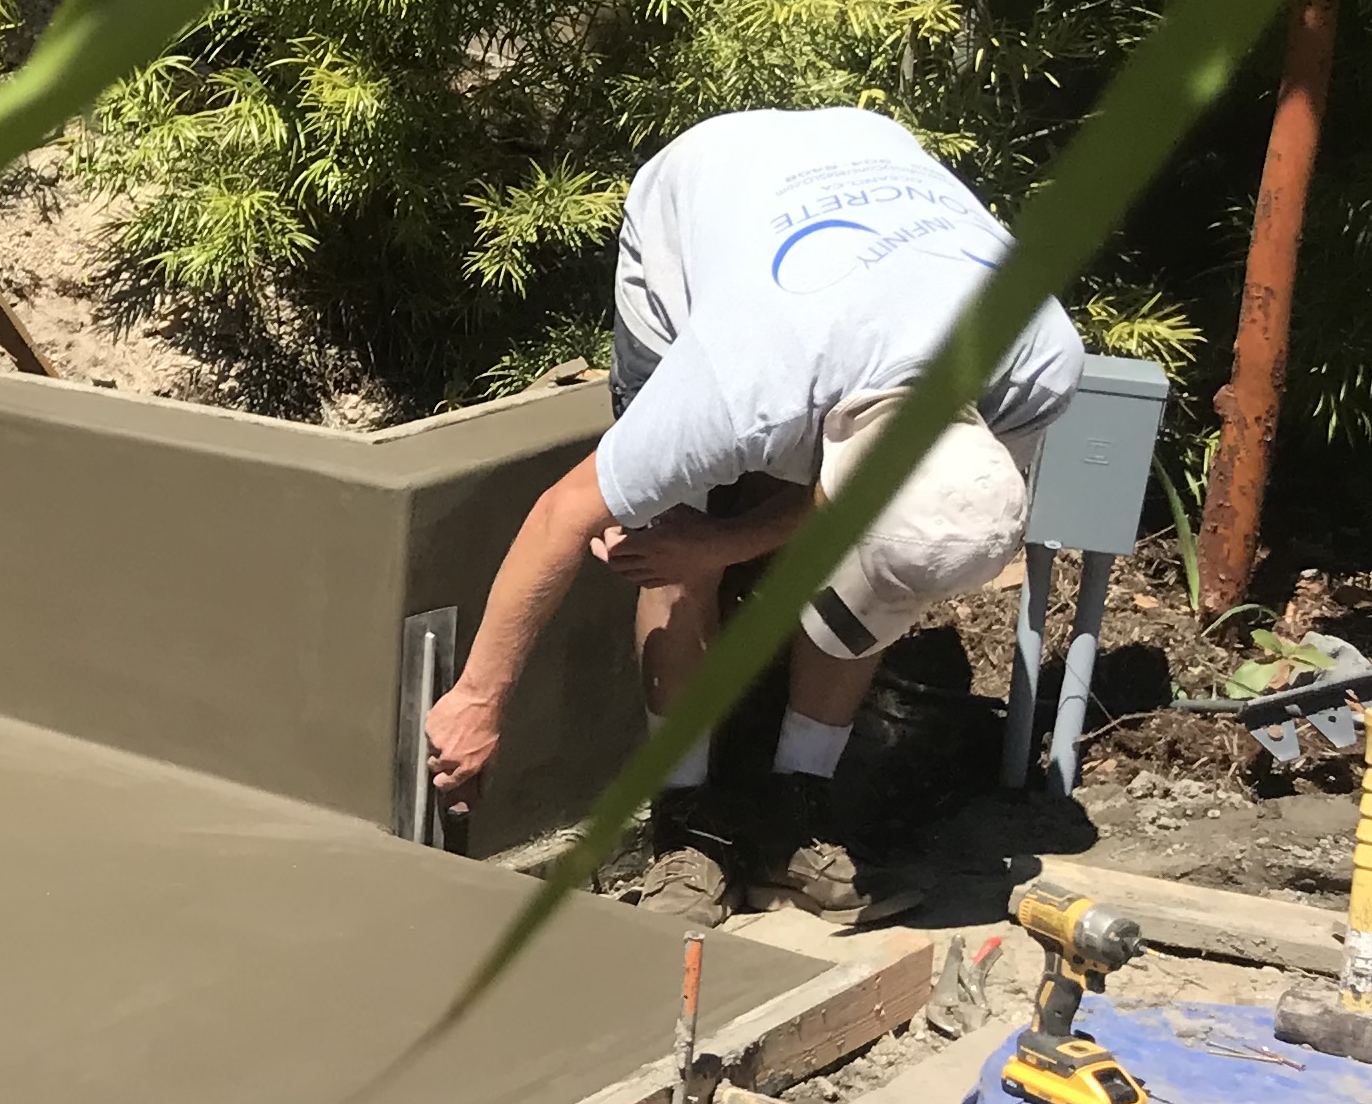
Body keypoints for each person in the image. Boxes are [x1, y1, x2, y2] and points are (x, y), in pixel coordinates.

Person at [425, 108, 1082, 921]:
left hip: (866, 173)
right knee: (667, 550)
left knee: (848, 575)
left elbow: (886, 502)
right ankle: (686, 823)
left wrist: (733, 541)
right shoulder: (738, 387)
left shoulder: (1037, 362)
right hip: (708, 193)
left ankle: (793, 812)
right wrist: (477, 701)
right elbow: (563, 514)